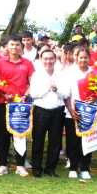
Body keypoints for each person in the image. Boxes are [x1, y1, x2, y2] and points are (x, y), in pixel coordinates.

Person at [0, 38, 34, 176]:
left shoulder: (27, 63)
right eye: (11, 44)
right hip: (2, 103)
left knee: (20, 135)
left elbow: (32, 83)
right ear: (7, 46)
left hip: (20, 104)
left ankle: (20, 165)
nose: (14, 47)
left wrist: (25, 95)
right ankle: (3, 164)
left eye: (17, 45)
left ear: (21, 46)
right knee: (2, 135)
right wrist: (4, 93)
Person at [27, 47, 65, 177]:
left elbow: (65, 94)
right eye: (46, 59)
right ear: (41, 60)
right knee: (38, 140)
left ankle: (51, 168)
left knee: (55, 141)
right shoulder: (37, 74)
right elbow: (33, 94)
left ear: (55, 59)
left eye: (51, 58)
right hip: (40, 111)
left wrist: (56, 89)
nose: (48, 61)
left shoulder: (61, 74)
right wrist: (47, 87)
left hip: (57, 111)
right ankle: (36, 168)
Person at [61, 47, 95, 181]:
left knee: (87, 140)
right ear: (76, 58)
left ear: (89, 58)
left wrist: (95, 98)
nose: (83, 60)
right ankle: (73, 167)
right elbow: (65, 94)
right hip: (73, 112)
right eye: (80, 57)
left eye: (85, 57)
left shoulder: (93, 72)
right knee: (72, 141)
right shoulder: (69, 72)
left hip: (89, 112)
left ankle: (85, 167)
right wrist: (70, 109)